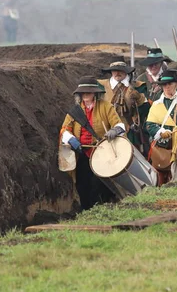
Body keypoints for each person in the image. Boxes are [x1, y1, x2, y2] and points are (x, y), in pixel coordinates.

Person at [59, 76, 125, 210]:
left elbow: (120, 125)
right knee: (82, 186)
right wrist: (70, 138)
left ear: (95, 93)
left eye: (88, 92)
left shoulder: (106, 107)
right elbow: (64, 129)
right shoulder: (75, 111)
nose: (85, 95)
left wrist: (114, 131)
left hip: (101, 154)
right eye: (83, 92)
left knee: (98, 186)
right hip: (81, 154)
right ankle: (85, 212)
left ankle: (100, 211)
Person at [97, 61, 149, 152]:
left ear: (126, 71)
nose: (117, 73)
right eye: (114, 70)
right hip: (108, 130)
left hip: (131, 132)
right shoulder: (101, 86)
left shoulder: (138, 86)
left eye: (120, 70)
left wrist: (139, 99)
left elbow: (146, 111)